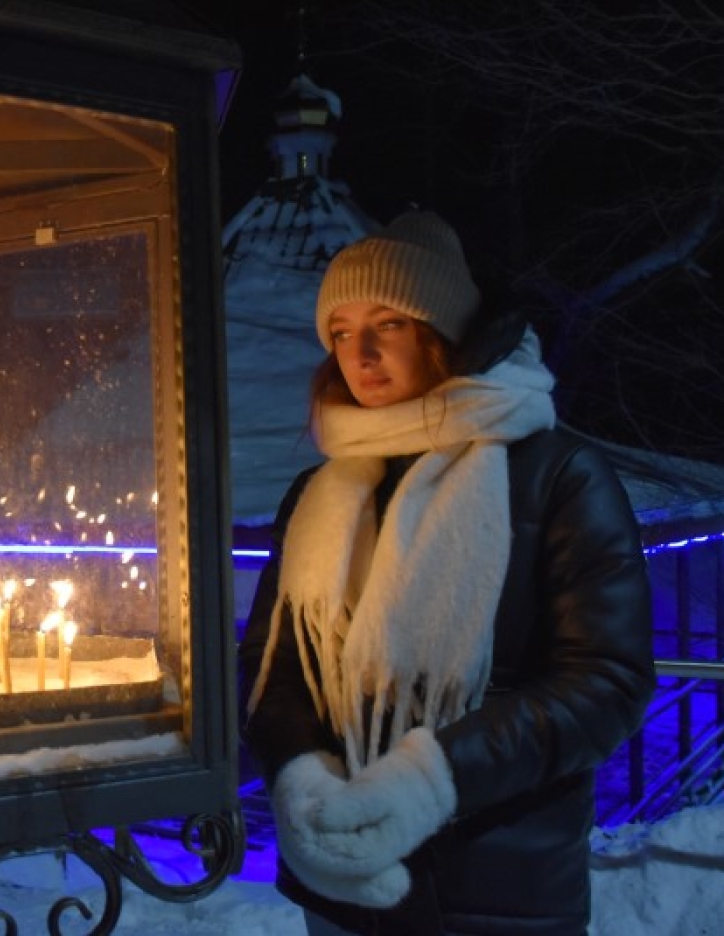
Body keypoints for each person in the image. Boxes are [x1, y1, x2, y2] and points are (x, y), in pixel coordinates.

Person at [238, 211, 655, 935]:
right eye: (339, 332)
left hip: (498, 892)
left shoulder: (557, 474)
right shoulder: (320, 492)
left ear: (445, 332)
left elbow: (606, 680)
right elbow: (274, 666)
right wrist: (300, 775)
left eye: (390, 323)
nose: (359, 353)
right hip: (347, 884)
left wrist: (431, 781)